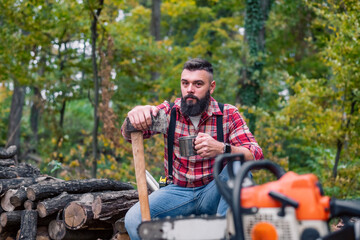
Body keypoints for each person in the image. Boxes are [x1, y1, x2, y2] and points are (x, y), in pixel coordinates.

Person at [121, 58, 263, 239]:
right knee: (134, 219)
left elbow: (256, 156)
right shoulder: (169, 113)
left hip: (215, 191)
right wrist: (134, 116)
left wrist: (222, 148)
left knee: (238, 168)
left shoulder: (228, 114)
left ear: (211, 87)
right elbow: (128, 133)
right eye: (185, 83)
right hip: (177, 192)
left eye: (198, 84)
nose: (190, 89)